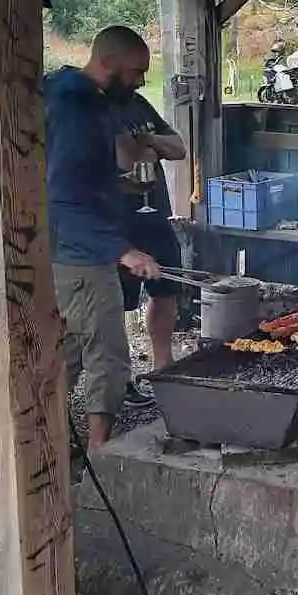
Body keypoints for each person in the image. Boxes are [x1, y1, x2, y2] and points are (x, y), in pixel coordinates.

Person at [46, 25, 160, 449]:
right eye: (136, 72)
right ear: (108, 63)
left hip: (68, 251)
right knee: (109, 357)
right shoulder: (77, 107)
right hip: (82, 257)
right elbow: (63, 196)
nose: (141, 82)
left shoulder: (70, 93)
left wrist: (120, 186)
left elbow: (75, 180)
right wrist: (123, 250)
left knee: (69, 352)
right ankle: (100, 453)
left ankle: (50, 445)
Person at [112, 89, 188, 389]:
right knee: (115, 303)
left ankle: (163, 366)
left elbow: (179, 148)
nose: (142, 79)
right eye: (136, 71)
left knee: (165, 289)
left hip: (156, 217)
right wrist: (148, 148)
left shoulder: (137, 102)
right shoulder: (99, 108)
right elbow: (126, 155)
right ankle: (120, 378)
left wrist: (151, 142)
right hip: (118, 222)